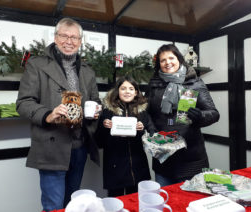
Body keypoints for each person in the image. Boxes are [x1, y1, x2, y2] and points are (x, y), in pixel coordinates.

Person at [16, 18, 101, 211]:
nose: (69, 41)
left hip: (79, 146)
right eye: (64, 35)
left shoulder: (88, 71)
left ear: (80, 41)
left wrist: (96, 108)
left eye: (74, 37)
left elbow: (95, 100)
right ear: (55, 37)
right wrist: (47, 114)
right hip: (51, 145)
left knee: (73, 204)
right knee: (53, 206)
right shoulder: (37, 65)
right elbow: (23, 103)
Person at [146, 43, 220, 186]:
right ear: (159, 64)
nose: (168, 62)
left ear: (179, 59)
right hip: (163, 156)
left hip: (190, 156)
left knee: (187, 202)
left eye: (171, 58)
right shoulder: (154, 84)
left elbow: (214, 113)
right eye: (163, 60)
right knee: (165, 201)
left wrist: (200, 117)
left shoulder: (194, 82)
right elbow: (146, 111)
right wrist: (152, 131)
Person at [95, 76, 154, 197]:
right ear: (117, 91)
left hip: (137, 165)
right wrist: (104, 127)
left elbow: (153, 135)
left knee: (136, 201)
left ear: (136, 92)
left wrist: (143, 129)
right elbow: (99, 141)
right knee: (116, 202)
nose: (127, 91)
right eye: (123, 88)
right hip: (115, 165)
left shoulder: (142, 111)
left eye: (131, 89)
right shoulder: (107, 111)